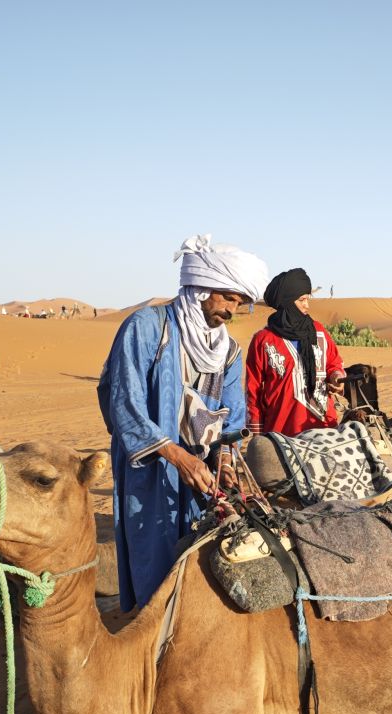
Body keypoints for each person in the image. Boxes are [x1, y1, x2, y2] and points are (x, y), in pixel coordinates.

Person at [98, 234, 268, 609]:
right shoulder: (146, 327)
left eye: (240, 303)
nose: (232, 312)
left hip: (201, 474)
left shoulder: (229, 352)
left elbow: (233, 419)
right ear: (201, 287)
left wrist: (225, 462)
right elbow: (125, 404)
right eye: (228, 298)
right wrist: (176, 456)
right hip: (150, 470)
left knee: (199, 563)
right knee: (153, 564)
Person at [245, 268, 346, 436]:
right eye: (302, 300)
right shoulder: (263, 340)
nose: (307, 305)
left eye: (308, 299)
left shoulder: (319, 331)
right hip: (282, 432)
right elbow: (252, 389)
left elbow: (334, 363)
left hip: (324, 429)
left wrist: (336, 376)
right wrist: (257, 431)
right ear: (287, 302)